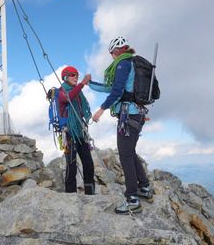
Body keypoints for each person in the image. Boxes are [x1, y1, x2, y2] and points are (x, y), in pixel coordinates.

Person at [89, 36, 153, 214]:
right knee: (130, 152)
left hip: (128, 115)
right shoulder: (130, 63)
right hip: (136, 114)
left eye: (111, 54)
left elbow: (116, 91)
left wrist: (101, 110)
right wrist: (90, 84)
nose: (111, 57)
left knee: (125, 156)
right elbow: (113, 87)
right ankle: (144, 188)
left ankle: (132, 199)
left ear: (115, 51)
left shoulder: (122, 64)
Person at [57, 66, 96, 195]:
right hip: (69, 133)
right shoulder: (61, 91)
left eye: (77, 75)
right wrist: (82, 83)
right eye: (73, 75)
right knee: (71, 166)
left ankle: (90, 194)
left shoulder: (78, 93)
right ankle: (70, 195)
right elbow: (67, 98)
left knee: (88, 164)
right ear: (66, 77)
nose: (76, 77)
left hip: (80, 132)